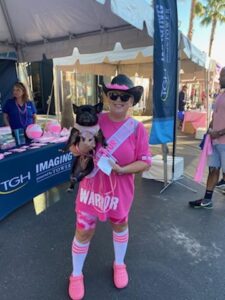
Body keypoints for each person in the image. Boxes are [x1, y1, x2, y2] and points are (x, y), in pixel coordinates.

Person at [68, 74, 152, 300]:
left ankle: (119, 264)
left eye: (125, 97)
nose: (118, 100)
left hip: (119, 191)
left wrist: (123, 170)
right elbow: (73, 149)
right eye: (113, 95)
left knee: (120, 225)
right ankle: (76, 275)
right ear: (106, 97)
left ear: (132, 100)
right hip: (91, 190)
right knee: (83, 231)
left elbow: (145, 161)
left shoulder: (137, 129)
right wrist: (81, 150)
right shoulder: (93, 119)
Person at [189, 67, 225, 209]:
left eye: (223, 76)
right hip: (215, 141)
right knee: (213, 170)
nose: (220, 78)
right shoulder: (220, 94)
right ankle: (207, 199)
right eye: (221, 75)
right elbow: (215, 115)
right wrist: (210, 128)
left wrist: (220, 132)